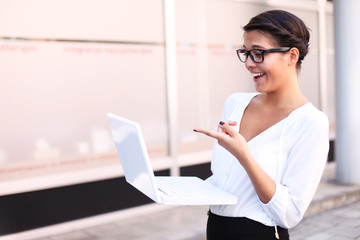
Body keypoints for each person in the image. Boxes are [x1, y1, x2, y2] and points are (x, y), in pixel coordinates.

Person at [193, 10, 329, 240]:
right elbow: (224, 178)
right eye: (245, 53)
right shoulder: (235, 103)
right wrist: (182, 189)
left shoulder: (310, 123)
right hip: (216, 229)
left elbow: (289, 214)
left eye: (258, 53)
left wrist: (244, 156)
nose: (248, 63)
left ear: (292, 56)